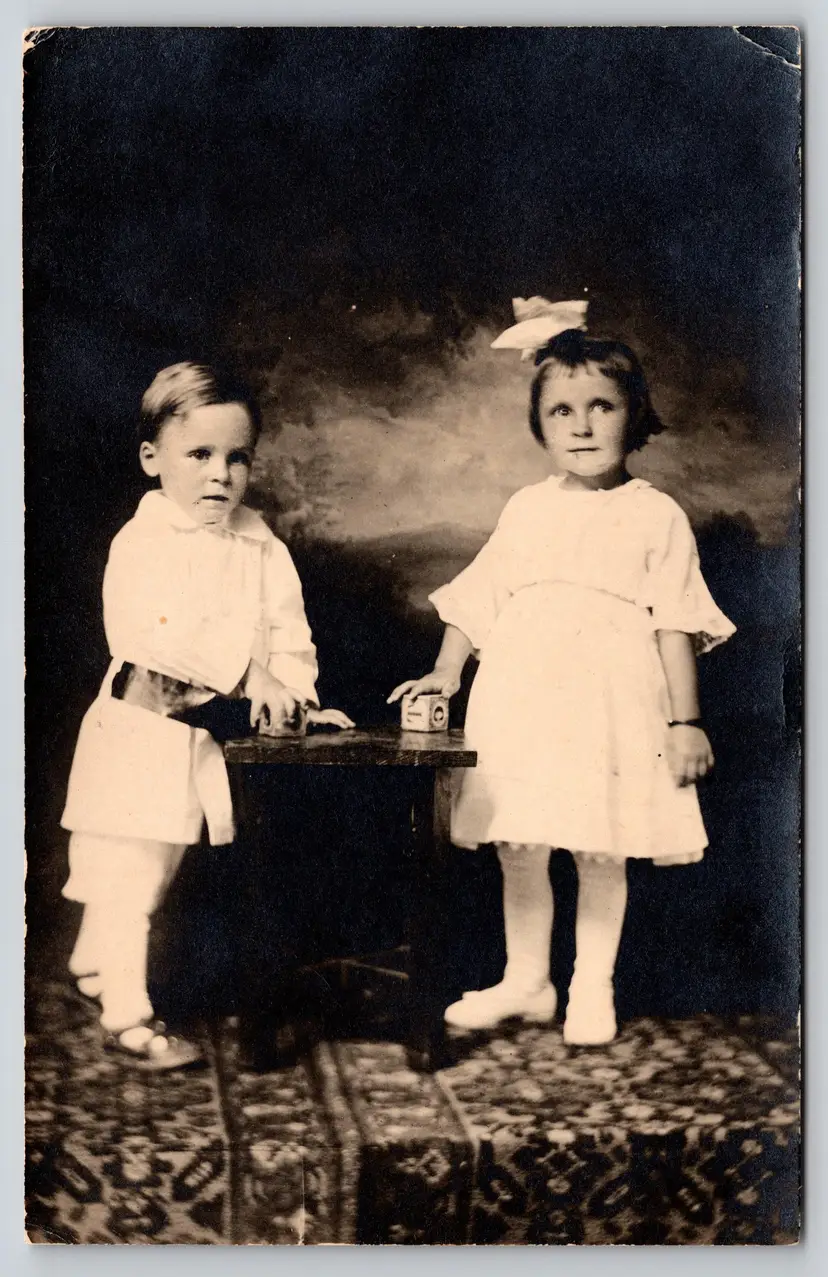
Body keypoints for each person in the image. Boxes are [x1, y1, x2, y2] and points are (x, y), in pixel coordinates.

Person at [389, 317, 735, 1047]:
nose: (581, 427)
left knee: (600, 843)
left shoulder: (656, 515)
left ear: (633, 413)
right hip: (523, 697)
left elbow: (675, 622)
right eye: (561, 412)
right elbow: (481, 595)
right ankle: (527, 981)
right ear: (540, 426)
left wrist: (685, 722)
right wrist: (447, 672)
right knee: (522, 840)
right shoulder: (528, 507)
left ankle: (590, 987)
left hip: (610, 703)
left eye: (600, 407)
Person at [61, 362, 353, 1068]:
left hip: (201, 740)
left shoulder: (261, 545)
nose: (219, 474)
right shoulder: (144, 542)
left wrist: (296, 696)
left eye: (237, 457)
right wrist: (248, 674)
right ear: (152, 458)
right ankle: (127, 1016)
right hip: (139, 730)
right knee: (128, 865)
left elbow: (290, 633)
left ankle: (91, 965)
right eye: (199, 455)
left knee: (154, 865)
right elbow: (155, 634)